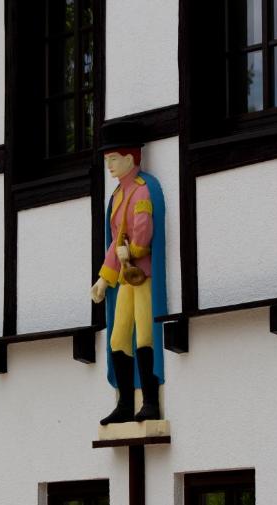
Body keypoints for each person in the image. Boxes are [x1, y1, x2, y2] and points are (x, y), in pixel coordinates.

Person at [90, 121, 167, 425]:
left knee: (145, 335)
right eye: (107, 160)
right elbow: (113, 243)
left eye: (113, 159)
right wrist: (103, 279)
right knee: (118, 337)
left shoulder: (141, 190)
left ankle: (149, 400)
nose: (108, 165)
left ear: (130, 159)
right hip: (125, 278)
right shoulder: (118, 197)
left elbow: (143, 231)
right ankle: (124, 403)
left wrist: (132, 251)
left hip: (142, 275)